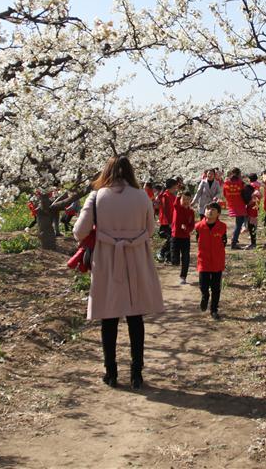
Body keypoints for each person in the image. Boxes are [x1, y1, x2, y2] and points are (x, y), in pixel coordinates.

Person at [73, 156, 165, 389]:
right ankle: (137, 373)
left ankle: (111, 372)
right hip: (135, 257)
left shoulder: (96, 197)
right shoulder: (142, 196)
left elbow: (79, 231)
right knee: (136, 317)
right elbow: (151, 229)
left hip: (108, 258)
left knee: (109, 317)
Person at [195, 202, 227, 320]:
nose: (210, 211)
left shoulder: (222, 226)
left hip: (217, 261)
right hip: (203, 260)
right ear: (204, 211)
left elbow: (224, 241)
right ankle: (205, 296)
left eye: (213, 209)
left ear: (218, 213)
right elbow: (197, 238)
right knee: (203, 285)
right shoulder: (199, 226)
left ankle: (214, 310)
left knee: (216, 287)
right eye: (208, 208)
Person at [171, 192, 196, 285]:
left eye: (187, 199)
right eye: (183, 199)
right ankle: (174, 260)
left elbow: (192, 225)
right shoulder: (177, 208)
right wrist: (177, 197)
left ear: (190, 200)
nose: (185, 201)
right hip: (175, 237)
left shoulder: (191, 212)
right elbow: (175, 203)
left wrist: (187, 229)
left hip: (185, 238)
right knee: (175, 260)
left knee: (186, 258)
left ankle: (183, 276)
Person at [223, 168, 248, 249]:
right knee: (239, 224)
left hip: (232, 204)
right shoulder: (241, 183)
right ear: (238, 173)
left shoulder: (226, 182)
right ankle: (234, 242)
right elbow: (245, 193)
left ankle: (234, 239)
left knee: (238, 224)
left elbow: (224, 194)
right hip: (240, 205)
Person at [156, 178, 179, 263]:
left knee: (173, 239)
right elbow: (165, 210)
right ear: (170, 187)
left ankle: (168, 257)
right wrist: (169, 222)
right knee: (171, 238)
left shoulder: (173, 196)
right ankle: (162, 252)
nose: (176, 189)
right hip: (166, 222)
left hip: (172, 221)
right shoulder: (165, 196)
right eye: (174, 187)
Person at [243, 173, 262, 250]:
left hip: (252, 205)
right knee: (254, 221)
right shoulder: (260, 185)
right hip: (257, 204)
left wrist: (248, 202)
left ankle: (253, 241)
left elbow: (252, 196)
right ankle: (253, 237)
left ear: (249, 178)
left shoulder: (251, 185)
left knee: (251, 222)